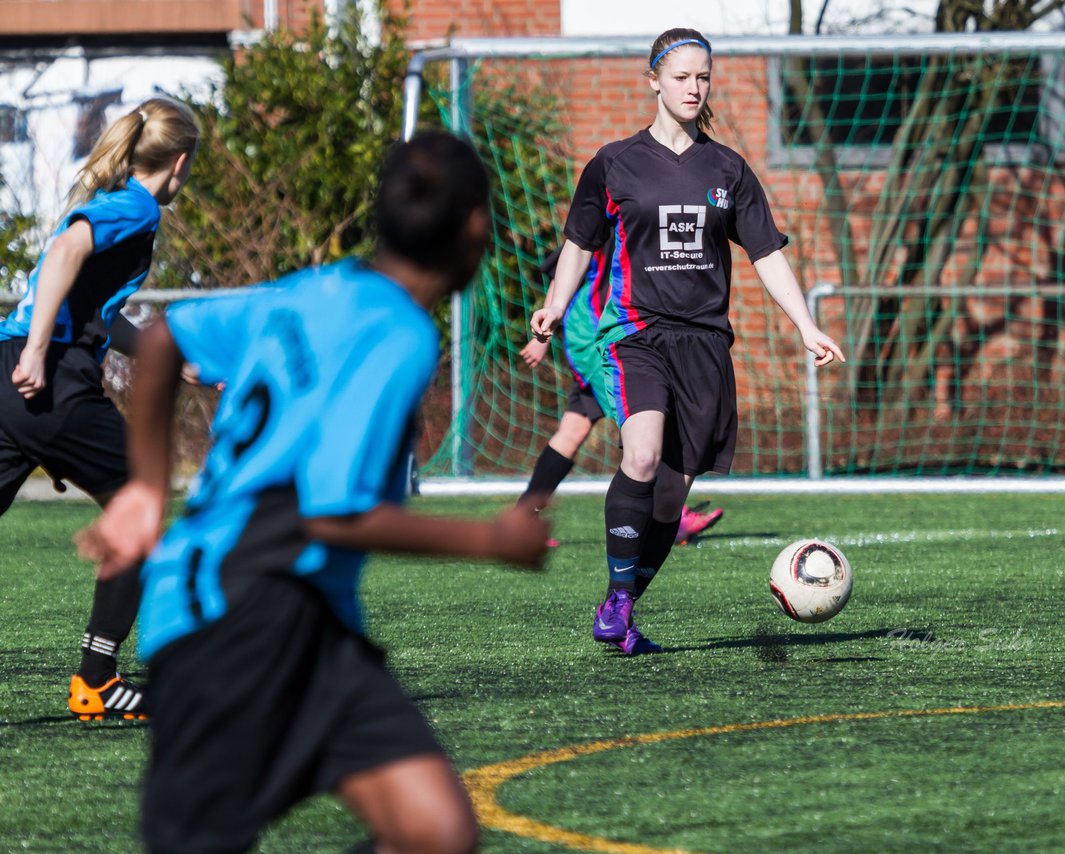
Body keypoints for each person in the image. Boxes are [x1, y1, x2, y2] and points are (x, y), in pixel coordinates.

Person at [76, 131, 549, 854]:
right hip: (230, 627)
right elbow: (333, 514)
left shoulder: (312, 290)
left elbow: (168, 340)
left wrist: (146, 490)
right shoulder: (401, 336)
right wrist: (492, 539)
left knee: (434, 831)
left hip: (304, 624)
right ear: (475, 228)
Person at [530, 28, 846, 655]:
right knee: (641, 455)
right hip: (637, 333)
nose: (694, 88)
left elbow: (767, 254)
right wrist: (556, 304)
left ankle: (623, 605)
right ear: (653, 80)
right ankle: (617, 601)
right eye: (681, 77)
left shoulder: (728, 169)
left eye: (703, 77)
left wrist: (806, 325)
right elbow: (579, 242)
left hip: (704, 344)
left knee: (671, 493)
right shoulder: (614, 162)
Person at [0, 97, 199, 719]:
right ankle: (98, 680)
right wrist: (38, 353)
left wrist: (174, 359)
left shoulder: (120, 201)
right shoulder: (136, 206)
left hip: (8, 376)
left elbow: (98, 315)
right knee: (139, 500)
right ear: (180, 163)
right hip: (47, 381)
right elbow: (65, 254)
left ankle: (99, 678)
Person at [519, 241, 723, 546]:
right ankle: (670, 514)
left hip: (614, 338)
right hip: (596, 341)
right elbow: (561, 274)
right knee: (645, 422)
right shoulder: (606, 213)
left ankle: (521, 520)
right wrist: (543, 335)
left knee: (573, 430)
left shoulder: (638, 214)